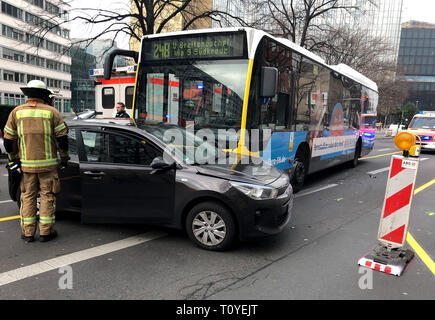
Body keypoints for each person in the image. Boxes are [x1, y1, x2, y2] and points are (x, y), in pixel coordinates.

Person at [3, 80, 69, 243]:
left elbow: (8, 142)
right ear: (43, 95)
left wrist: (13, 159)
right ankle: (46, 233)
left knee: (28, 197)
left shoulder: (16, 112)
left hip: (26, 167)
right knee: (47, 196)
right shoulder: (52, 112)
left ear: (28, 94)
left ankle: (28, 234)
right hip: (48, 166)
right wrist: (65, 158)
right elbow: (63, 140)